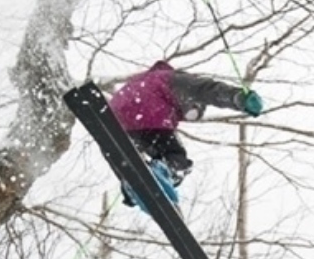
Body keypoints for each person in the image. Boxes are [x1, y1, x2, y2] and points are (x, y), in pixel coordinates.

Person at [107, 60, 265, 206]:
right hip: (147, 113)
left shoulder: (140, 80)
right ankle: (166, 173)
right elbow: (207, 89)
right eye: (195, 108)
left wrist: (126, 176)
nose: (192, 113)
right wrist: (238, 98)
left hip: (116, 118)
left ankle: (131, 187)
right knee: (177, 157)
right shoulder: (175, 80)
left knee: (127, 158)